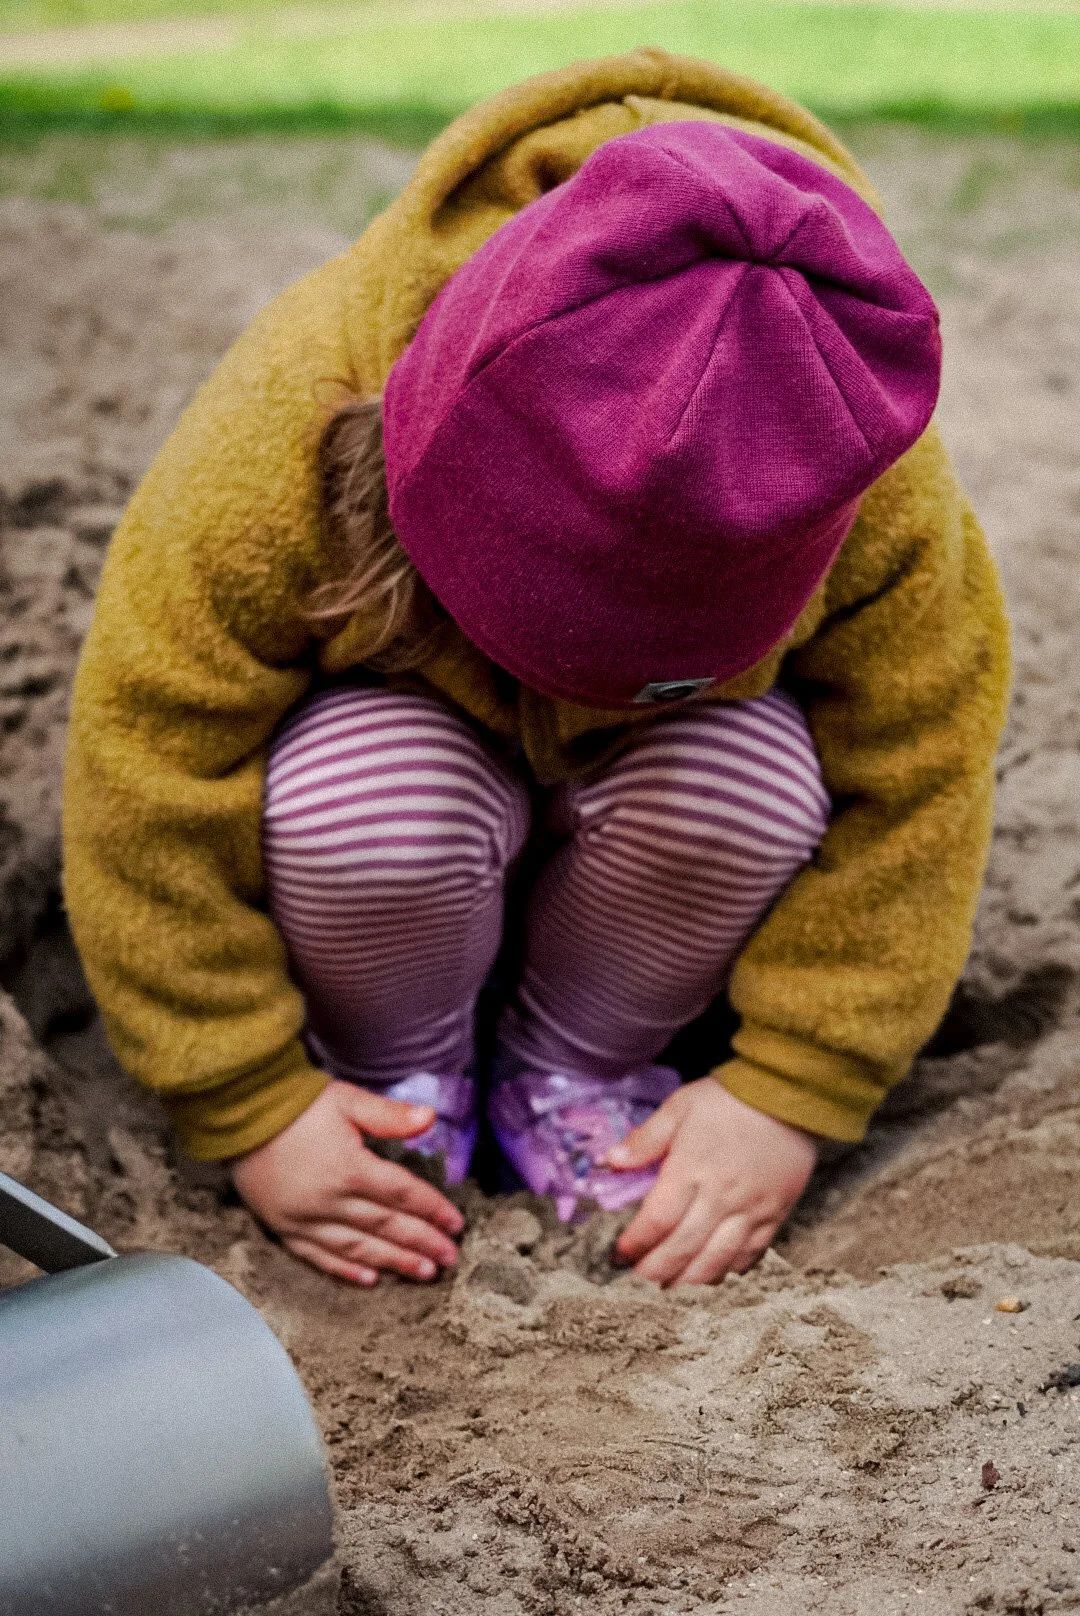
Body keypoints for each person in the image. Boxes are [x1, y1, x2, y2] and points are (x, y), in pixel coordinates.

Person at [62, 48, 1010, 1290]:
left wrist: (791, 1087)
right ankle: (397, 1072)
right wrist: (250, 1099)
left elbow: (924, 783)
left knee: (757, 775)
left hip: (658, 862)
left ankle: (580, 1067)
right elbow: (146, 755)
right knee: (369, 793)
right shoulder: (294, 409)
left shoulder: (859, 462)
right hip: (398, 807)